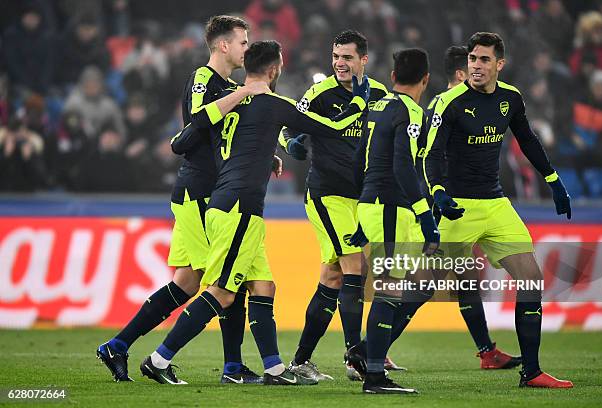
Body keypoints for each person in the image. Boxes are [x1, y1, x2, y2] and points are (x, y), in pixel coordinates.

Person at [140, 39, 370, 386]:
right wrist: (358, 100)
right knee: (223, 291)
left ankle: (275, 369)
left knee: (264, 285)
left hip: (227, 202)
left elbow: (183, 141)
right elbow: (335, 128)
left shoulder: (229, 102)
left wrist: (263, 154)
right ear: (275, 68)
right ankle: (159, 359)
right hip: (239, 207)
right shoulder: (275, 104)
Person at [96, 15, 270, 383]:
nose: (247, 48)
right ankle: (231, 368)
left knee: (188, 283)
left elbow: (213, 137)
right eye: (242, 41)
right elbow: (195, 120)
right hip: (199, 192)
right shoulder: (204, 78)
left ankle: (118, 345)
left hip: (211, 190)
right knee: (224, 280)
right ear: (223, 45)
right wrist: (242, 93)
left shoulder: (226, 85)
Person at [347, 46, 521, 371]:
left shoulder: (428, 108)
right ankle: (368, 353)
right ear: (459, 74)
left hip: (439, 205)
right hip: (434, 206)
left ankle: (485, 351)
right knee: (415, 285)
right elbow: (414, 163)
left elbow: (366, 157)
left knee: (460, 278)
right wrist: (427, 212)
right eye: (473, 66)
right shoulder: (439, 110)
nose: (479, 73)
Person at [423, 32, 573, 388]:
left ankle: (531, 372)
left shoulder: (511, 98)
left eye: (484, 60)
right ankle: (371, 356)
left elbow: (528, 139)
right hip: (458, 207)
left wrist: (553, 180)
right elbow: (431, 155)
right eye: (473, 59)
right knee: (420, 289)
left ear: (499, 65)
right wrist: (440, 193)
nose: (476, 66)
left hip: (496, 204)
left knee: (531, 280)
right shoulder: (449, 102)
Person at [280, 29, 397, 381]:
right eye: (335, 56)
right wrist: (291, 146)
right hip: (327, 194)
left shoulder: (379, 94)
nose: (339, 63)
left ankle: (301, 360)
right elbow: (287, 128)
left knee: (332, 277)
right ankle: (356, 356)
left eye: (346, 57)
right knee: (355, 269)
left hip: (362, 198)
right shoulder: (319, 93)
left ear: (364, 59)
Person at [351, 48, 440, 394]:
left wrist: (362, 207)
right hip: (391, 207)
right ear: (426, 80)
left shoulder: (378, 106)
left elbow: (361, 157)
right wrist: (425, 214)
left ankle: (363, 351)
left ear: (392, 78)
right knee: (389, 289)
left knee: (422, 283)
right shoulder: (411, 111)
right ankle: (374, 376)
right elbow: (403, 165)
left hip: (378, 205)